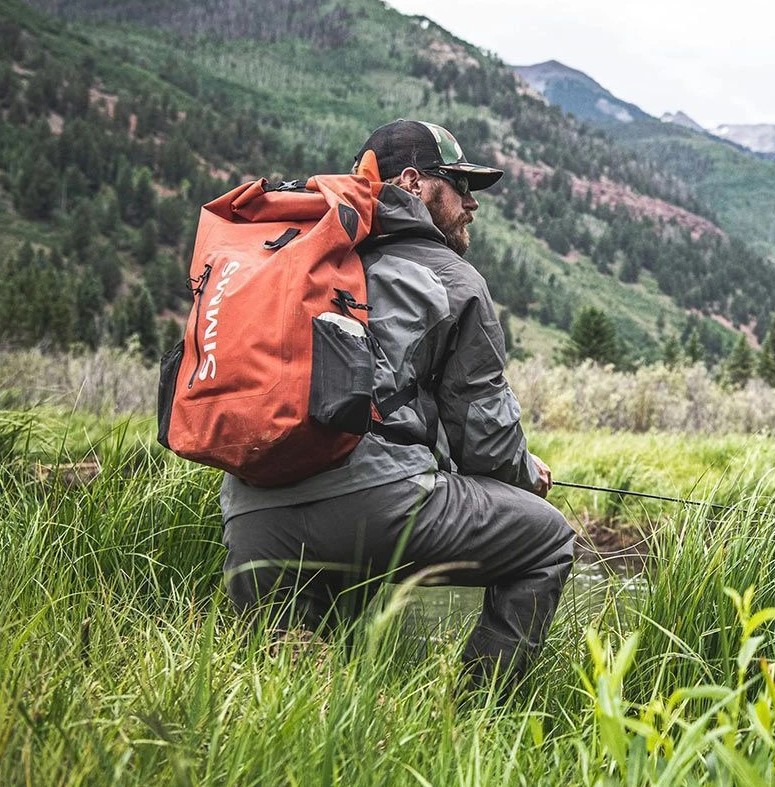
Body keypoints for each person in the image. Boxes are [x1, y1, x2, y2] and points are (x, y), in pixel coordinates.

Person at [221, 119, 576, 689]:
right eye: (459, 186)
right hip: (374, 510)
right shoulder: (453, 278)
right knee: (549, 540)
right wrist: (525, 475)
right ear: (412, 182)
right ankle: (473, 719)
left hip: (251, 518)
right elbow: (485, 441)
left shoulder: (301, 259)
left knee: (289, 689)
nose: (471, 204)